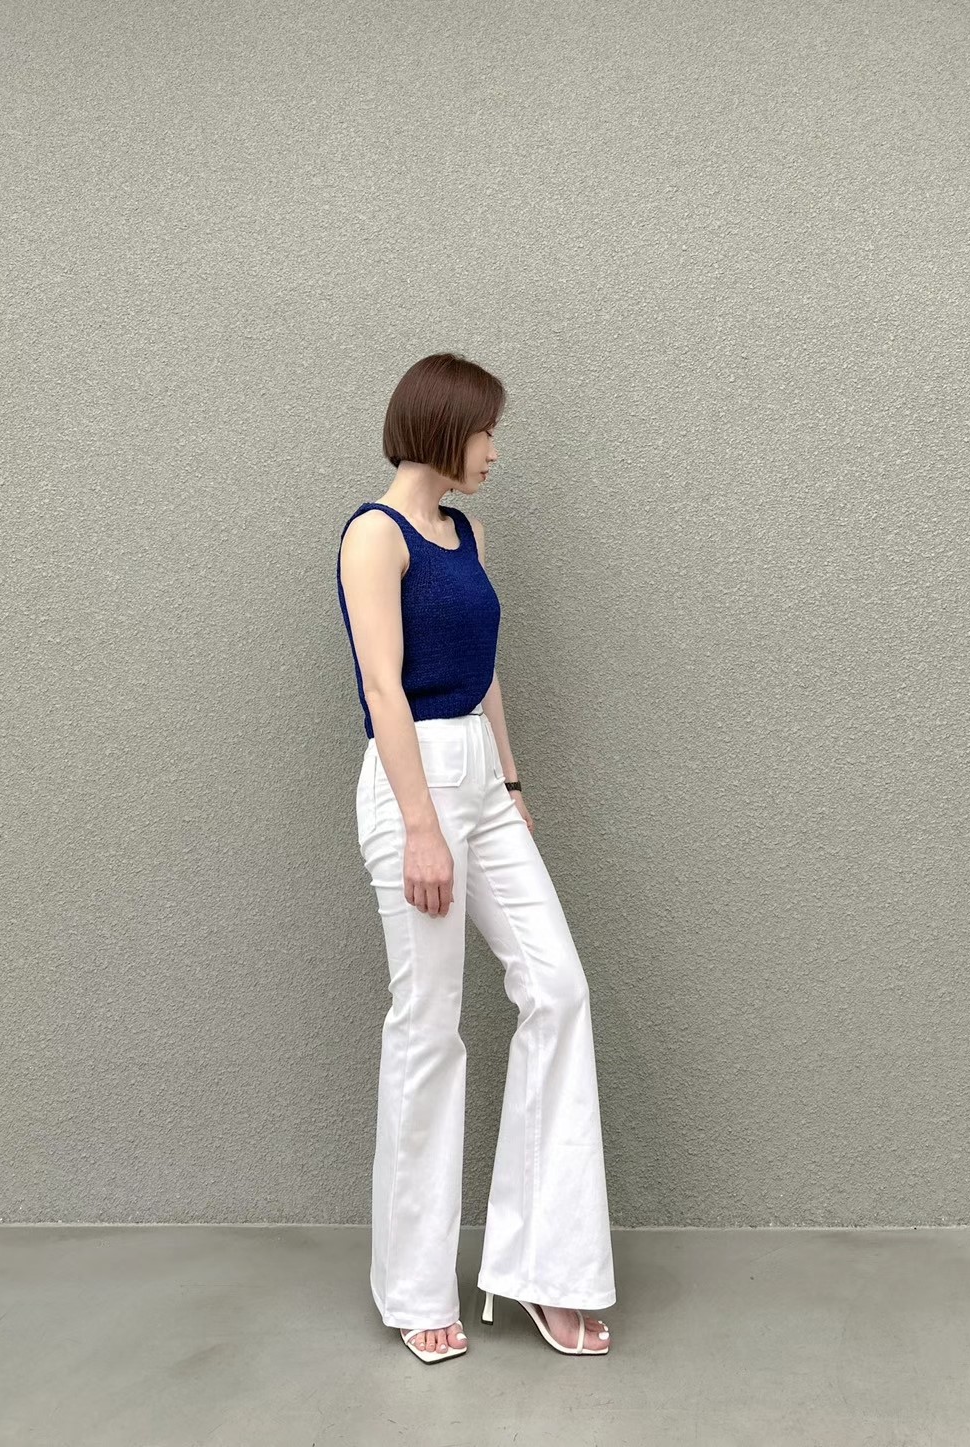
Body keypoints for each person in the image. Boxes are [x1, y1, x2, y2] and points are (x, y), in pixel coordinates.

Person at [336, 351, 616, 1364]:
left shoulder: (469, 534)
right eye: (487, 430)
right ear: (445, 426)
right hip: (410, 780)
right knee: (429, 1025)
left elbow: (483, 671)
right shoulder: (375, 536)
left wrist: (511, 781)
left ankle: (545, 1269)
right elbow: (383, 685)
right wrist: (421, 822)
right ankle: (415, 1287)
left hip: (481, 782)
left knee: (559, 987)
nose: (495, 450)